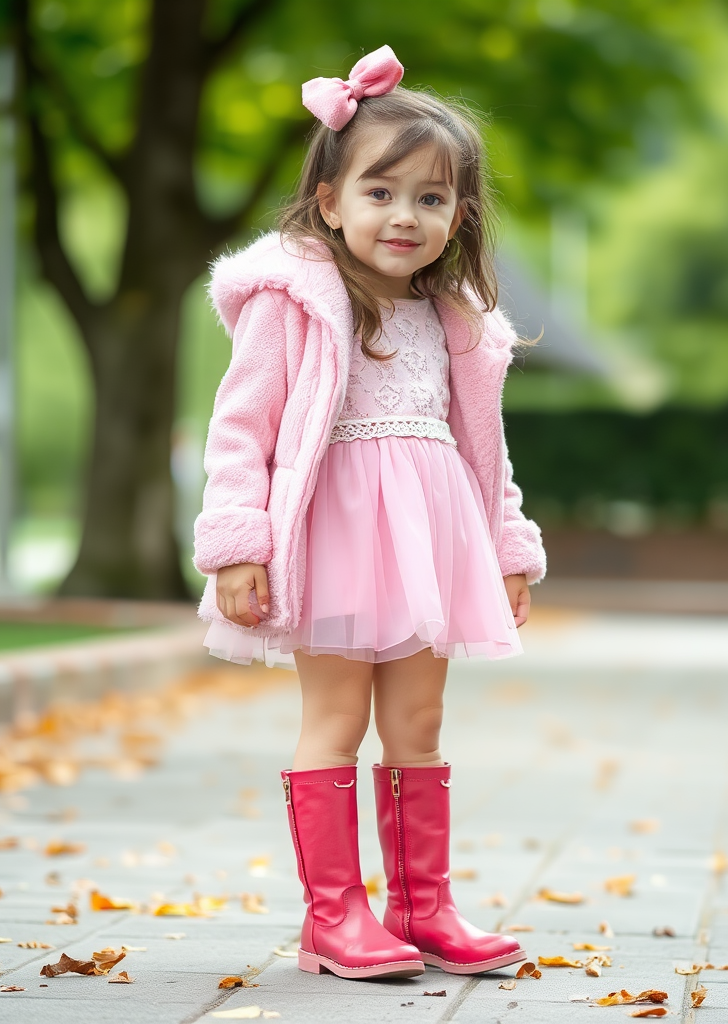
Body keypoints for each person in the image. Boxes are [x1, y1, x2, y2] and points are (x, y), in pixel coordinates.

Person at [193, 45, 547, 982]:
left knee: (420, 723)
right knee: (336, 718)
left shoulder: (457, 322)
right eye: (382, 193)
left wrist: (508, 546)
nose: (406, 216)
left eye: (432, 199)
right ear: (330, 202)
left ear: (459, 217)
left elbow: (486, 451)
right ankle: (333, 916)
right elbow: (240, 429)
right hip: (335, 541)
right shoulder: (296, 307)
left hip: (434, 542)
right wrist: (238, 542)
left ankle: (423, 907)